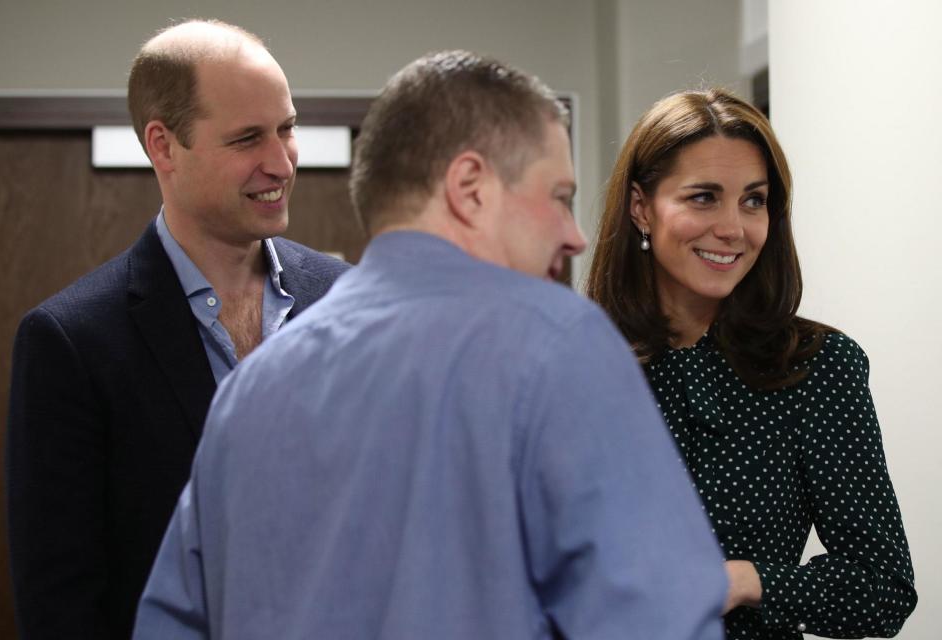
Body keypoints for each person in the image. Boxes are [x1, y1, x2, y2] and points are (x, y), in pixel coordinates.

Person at [133, 50, 728, 639]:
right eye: (557, 198)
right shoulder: (557, 346)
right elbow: (658, 621)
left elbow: (175, 623)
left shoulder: (251, 390)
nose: (573, 236)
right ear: (470, 187)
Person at [6, 20, 348, 639]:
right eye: (247, 138)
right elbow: (59, 599)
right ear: (163, 146)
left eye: (287, 129)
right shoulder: (71, 341)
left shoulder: (345, 297)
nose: (281, 162)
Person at [586, 88, 917, 639]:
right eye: (703, 197)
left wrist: (747, 581)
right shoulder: (572, 366)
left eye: (753, 200)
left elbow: (883, 587)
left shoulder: (818, 367)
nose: (733, 228)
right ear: (641, 207)